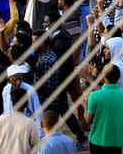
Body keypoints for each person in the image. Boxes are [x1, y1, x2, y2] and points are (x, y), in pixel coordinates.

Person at [43, 11, 89, 146]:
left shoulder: (60, 42)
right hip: (61, 81)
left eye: (46, 22)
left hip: (59, 82)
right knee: (62, 109)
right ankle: (80, 136)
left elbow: (59, 66)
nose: (44, 24)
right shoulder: (58, 37)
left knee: (61, 109)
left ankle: (80, 137)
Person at [83, 64, 123, 154]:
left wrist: (85, 107)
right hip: (117, 142)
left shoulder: (94, 95)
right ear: (118, 77)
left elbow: (87, 121)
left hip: (97, 141)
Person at [0, 87, 40, 154]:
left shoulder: (0, 120)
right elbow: (36, 147)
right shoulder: (30, 123)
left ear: (12, 102)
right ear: (26, 103)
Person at [1, 65, 44, 137]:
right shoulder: (6, 90)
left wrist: (40, 135)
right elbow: (6, 111)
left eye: (20, 78)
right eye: (15, 79)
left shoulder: (30, 91)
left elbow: (38, 113)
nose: (18, 82)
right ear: (9, 80)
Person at [32, 29, 60, 111]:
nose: (32, 45)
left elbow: (45, 87)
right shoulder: (48, 53)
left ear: (41, 43)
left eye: (34, 42)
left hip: (46, 106)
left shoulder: (45, 61)